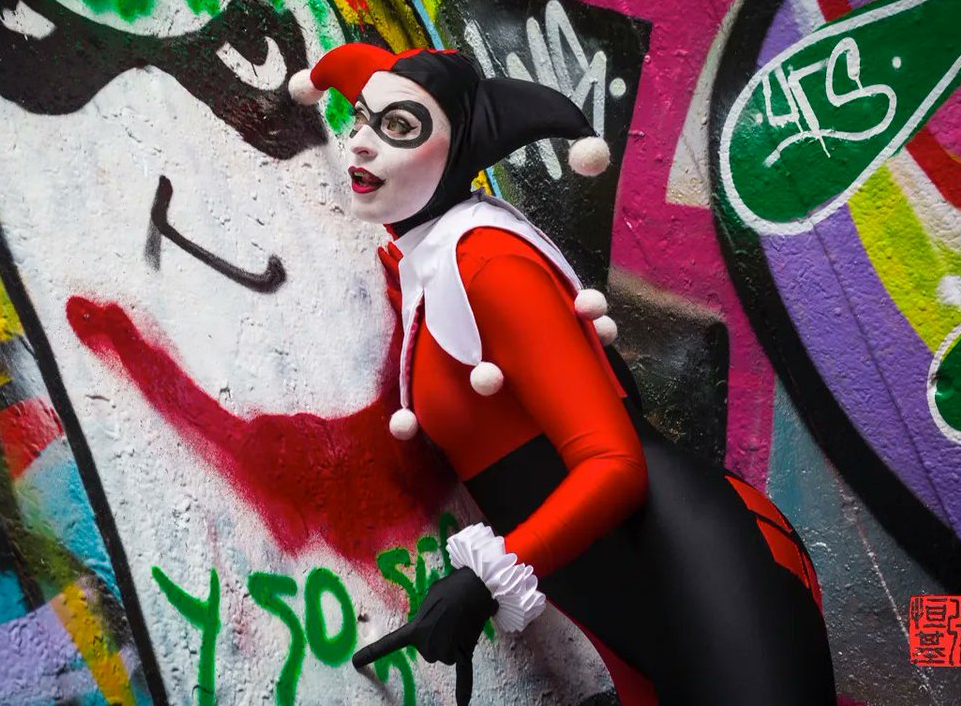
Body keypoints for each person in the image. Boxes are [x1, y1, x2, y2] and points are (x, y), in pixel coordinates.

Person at [288, 44, 836, 705]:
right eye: (361, 120)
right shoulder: (427, 268)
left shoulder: (489, 264)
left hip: (705, 563)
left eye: (399, 127)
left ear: (457, 152)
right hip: (615, 591)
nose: (360, 143)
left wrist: (487, 578)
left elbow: (614, 464)